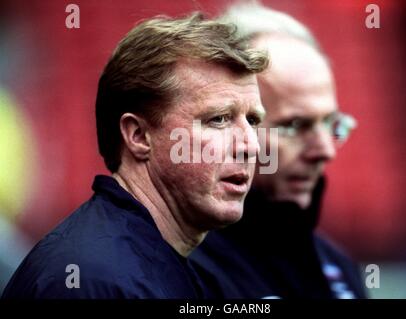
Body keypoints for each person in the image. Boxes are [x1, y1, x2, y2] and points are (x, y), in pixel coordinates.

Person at [2, 12, 268, 298]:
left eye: (252, 121)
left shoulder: (170, 266)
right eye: (218, 119)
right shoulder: (91, 281)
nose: (251, 146)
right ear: (138, 136)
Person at [190, 3, 366, 299]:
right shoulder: (178, 269)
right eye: (295, 125)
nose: (324, 151)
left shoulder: (339, 267)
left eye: (330, 123)